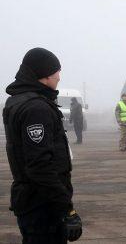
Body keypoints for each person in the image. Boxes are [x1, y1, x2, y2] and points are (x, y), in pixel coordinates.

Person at [3, 48, 82, 243]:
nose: (59, 77)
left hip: (32, 200)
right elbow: (40, 166)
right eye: (56, 71)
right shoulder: (36, 108)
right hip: (42, 205)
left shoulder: (18, 101)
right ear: (44, 74)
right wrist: (67, 208)